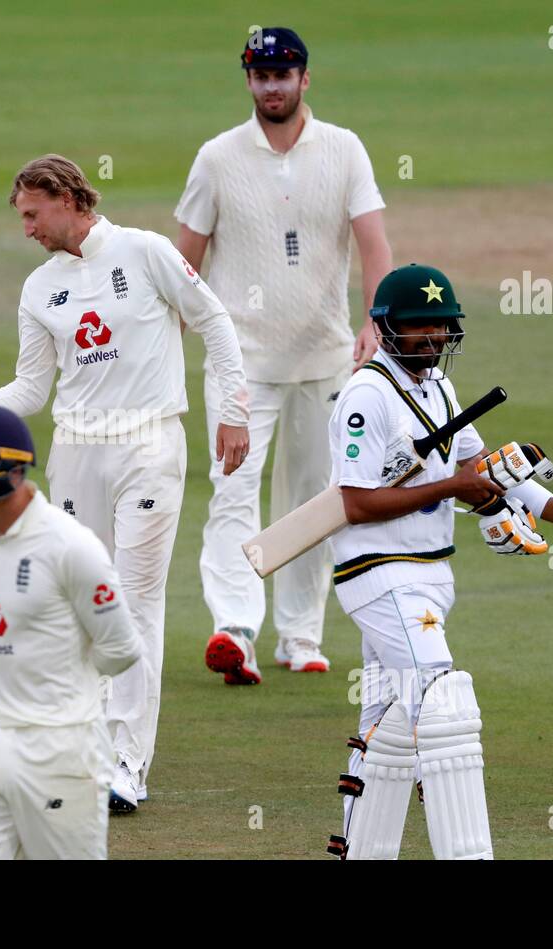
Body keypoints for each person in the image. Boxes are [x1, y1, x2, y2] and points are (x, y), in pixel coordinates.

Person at [0, 155, 250, 812]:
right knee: (88, 603)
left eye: (32, 213)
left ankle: (127, 764)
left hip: (149, 442)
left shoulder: (145, 253)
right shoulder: (40, 288)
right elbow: (32, 387)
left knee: (136, 598)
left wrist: (233, 410)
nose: (26, 228)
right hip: (77, 449)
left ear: (63, 197)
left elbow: (216, 322)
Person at [322, 264, 553, 859]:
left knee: (389, 725)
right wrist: (449, 489)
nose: (432, 338)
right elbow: (355, 503)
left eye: (441, 327)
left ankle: (362, 852)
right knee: (442, 705)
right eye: (419, 327)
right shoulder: (366, 396)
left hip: (429, 572)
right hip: (381, 574)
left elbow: (482, 467)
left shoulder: (440, 389)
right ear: (385, 328)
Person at [174, 27, 394, 685]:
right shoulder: (217, 158)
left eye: (284, 73)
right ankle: (235, 628)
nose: (272, 85)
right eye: (261, 75)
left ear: (305, 79)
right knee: (233, 491)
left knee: (314, 499)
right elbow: (184, 260)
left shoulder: (345, 150)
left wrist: (374, 321)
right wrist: (171, 335)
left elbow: (375, 243)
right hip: (240, 361)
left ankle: (299, 634)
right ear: (248, 81)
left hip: (326, 358)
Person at [0, 405, 141, 859]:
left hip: (60, 753)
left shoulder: (72, 548)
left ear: (13, 467)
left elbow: (121, 649)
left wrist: (60, 679)